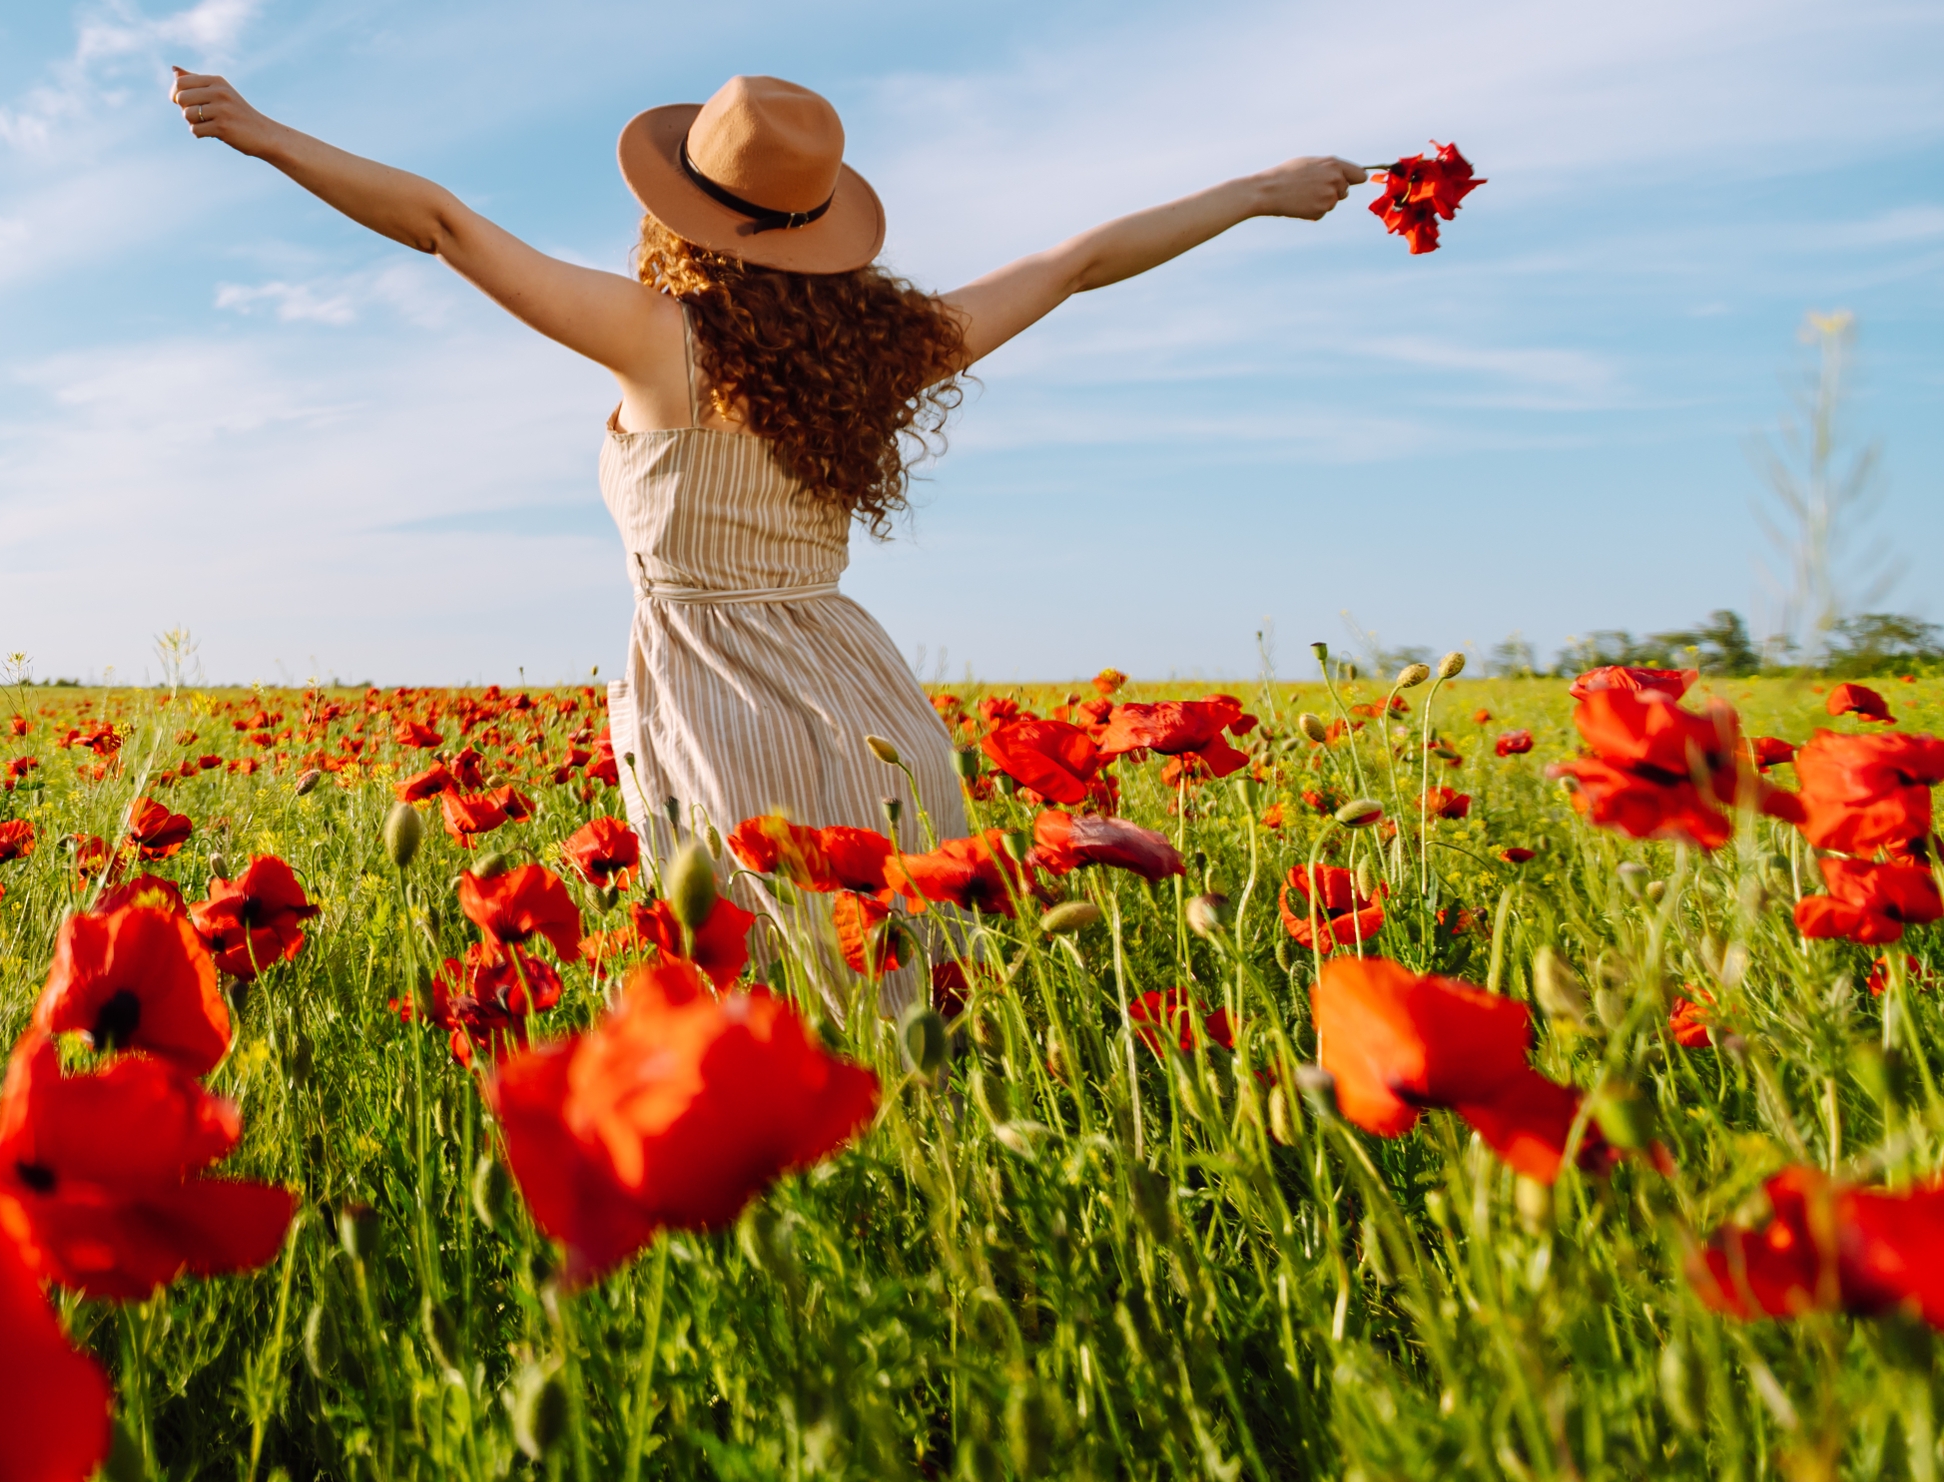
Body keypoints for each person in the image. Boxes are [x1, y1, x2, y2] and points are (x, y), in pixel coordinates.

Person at [169, 64, 1365, 997]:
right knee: (903, 981)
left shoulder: (657, 338)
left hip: (715, 699)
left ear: (683, 209)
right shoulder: (886, 349)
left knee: (769, 993)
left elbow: (442, 220)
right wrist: (1258, 192)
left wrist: (265, 132)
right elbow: (1078, 262)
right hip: (868, 696)